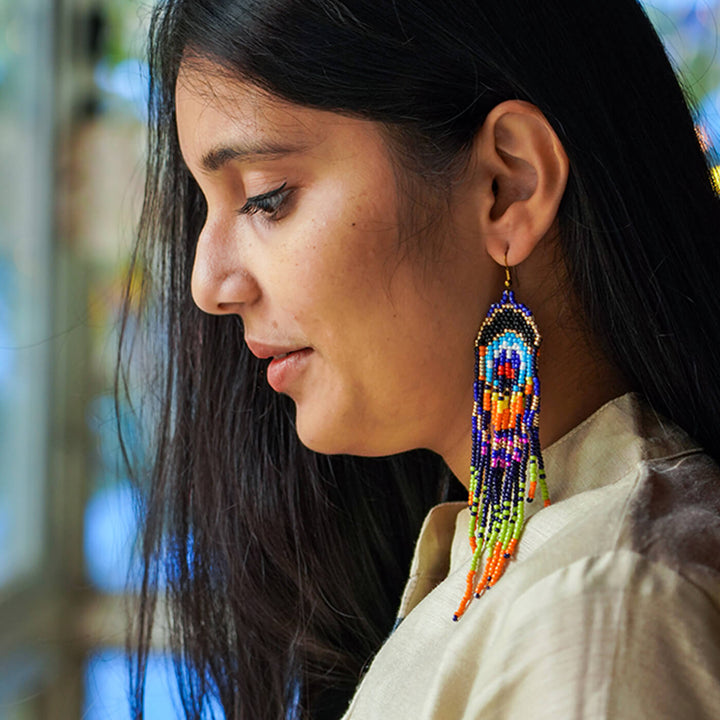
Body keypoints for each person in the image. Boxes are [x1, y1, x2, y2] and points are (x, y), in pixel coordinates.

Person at [118, 0, 720, 718]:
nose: (207, 285)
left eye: (265, 198)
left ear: (508, 186)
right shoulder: (508, 552)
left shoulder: (601, 613)